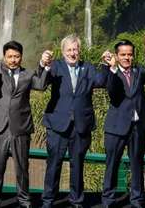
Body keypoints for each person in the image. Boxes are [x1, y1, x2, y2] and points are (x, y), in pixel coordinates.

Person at [37, 34, 110, 208]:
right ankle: (48, 200)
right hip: (57, 125)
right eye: (69, 50)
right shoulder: (55, 67)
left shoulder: (88, 67)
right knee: (54, 164)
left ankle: (76, 200)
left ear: (79, 51)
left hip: (80, 125)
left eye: (75, 49)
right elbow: (42, 82)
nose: (72, 53)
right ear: (63, 52)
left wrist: (107, 65)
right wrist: (43, 64)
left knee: (77, 165)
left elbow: (100, 81)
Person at [0, 40, 48, 208]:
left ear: (21, 57)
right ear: (4, 57)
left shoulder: (28, 74)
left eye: (16, 56)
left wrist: (44, 65)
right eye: (9, 56)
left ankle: (24, 200)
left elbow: (41, 85)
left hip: (20, 127)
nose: (13, 60)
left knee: (22, 168)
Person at [102, 39, 145, 208]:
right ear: (116, 56)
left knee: (137, 164)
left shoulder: (139, 71)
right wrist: (111, 68)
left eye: (130, 54)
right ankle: (108, 200)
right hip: (116, 127)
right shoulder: (110, 72)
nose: (127, 58)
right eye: (123, 55)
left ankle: (137, 199)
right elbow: (112, 90)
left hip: (137, 126)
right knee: (112, 164)